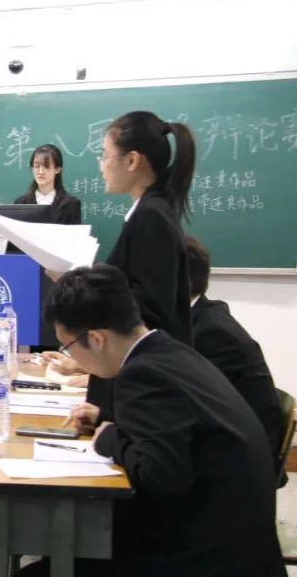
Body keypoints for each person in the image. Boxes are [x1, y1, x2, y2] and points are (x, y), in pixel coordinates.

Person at [21, 264, 284, 577]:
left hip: (205, 557)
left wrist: (110, 438)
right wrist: (106, 419)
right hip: (235, 541)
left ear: (97, 338)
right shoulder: (169, 350)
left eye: (68, 347)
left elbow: (161, 477)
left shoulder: (142, 375)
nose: (72, 358)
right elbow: (173, 432)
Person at [86, 111, 195, 418]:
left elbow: (150, 308)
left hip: (149, 382)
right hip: (143, 376)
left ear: (132, 161)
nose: (101, 165)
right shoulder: (150, 210)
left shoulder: (151, 216)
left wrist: (88, 292)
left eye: (105, 155)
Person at [185, 235, 284, 465]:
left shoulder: (213, 334)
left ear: (184, 281)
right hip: (219, 444)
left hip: (239, 462)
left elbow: (179, 409)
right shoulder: (195, 319)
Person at [13, 143, 82, 224]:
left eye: (46, 166)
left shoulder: (71, 204)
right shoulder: (21, 203)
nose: (41, 172)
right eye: (37, 166)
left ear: (57, 169)